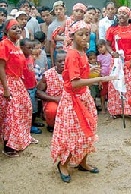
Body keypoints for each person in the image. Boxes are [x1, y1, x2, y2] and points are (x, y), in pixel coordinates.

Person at [51, 20, 116, 183]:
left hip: (84, 97)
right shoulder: (73, 55)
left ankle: (82, 162)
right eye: (81, 34)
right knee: (71, 133)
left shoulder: (82, 52)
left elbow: (80, 73)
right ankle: (63, 165)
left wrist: (90, 70)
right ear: (72, 37)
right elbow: (74, 83)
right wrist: (100, 78)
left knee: (88, 129)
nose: (85, 37)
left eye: (87, 34)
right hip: (73, 100)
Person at [0, 19, 33, 157]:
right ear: (6, 31)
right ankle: (8, 146)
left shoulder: (16, 45)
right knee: (12, 113)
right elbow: (0, 67)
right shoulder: (4, 45)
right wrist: (6, 88)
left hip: (17, 82)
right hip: (8, 82)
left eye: (19, 28)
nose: (18, 30)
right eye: (14, 28)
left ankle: (21, 139)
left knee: (26, 107)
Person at [106, 6, 131, 118]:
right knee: (116, 85)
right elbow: (107, 44)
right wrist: (112, 53)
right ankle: (116, 111)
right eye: (120, 13)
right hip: (117, 61)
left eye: (124, 13)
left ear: (129, 16)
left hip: (130, 61)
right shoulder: (112, 29)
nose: (121, 15)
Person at [37, 51, 66, 133]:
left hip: (68, 100)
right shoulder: (48, 74)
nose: (63, 63)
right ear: (55, 62)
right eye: (60, 61)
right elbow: (38, 92)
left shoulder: (72, 73)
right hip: (53, 100)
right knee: (52, 110)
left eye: (65, 61)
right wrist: (55, 99)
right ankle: (51, 125)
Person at [20, 38, 43, 135]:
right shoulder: (21, 59)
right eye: (28, 48)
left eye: (32, 48)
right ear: (21, 48)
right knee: (28, 109)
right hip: (26, 89)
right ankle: (29, 127)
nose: (31, 50)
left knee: (34, 108)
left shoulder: (30, 58)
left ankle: (32, 123)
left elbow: (31, 72)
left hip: (32, 86)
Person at [47, 0, 67, 67]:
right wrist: (53, 62)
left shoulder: (71, 21)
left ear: (64, 9)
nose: (58, 11)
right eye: (56, 9)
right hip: (58, 51)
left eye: (60, 9)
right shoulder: (51, 26)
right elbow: (51, 45)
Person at [96, 39, 112, 114]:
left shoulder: (110, 55)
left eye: (101, 47)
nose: (100, 49)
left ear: (105, 46)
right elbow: (99, 68)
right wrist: (99, 80)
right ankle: (103, 107)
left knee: (110, 94)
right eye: (98, 48)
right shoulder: (99, 57)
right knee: (103, 94)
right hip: (103, 77)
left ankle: (110, 107)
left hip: (110, 77)